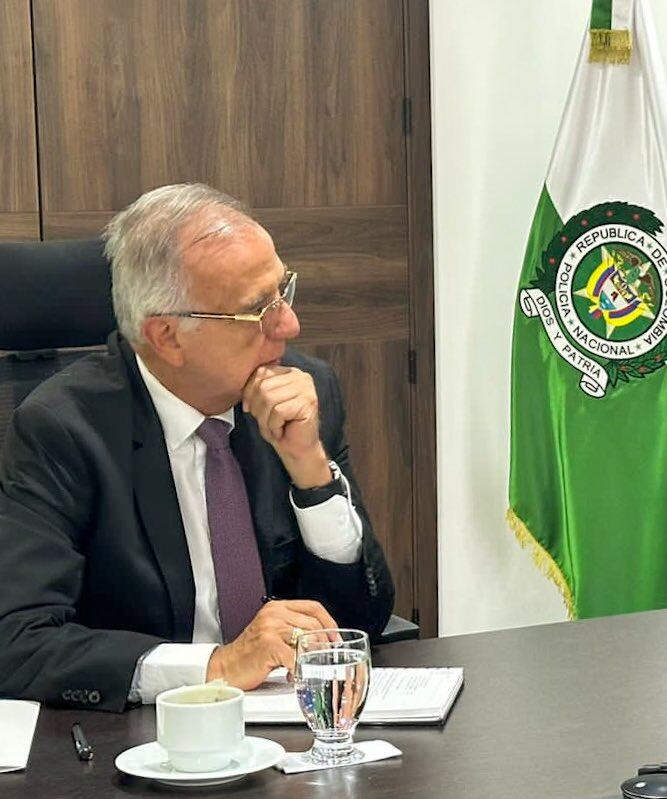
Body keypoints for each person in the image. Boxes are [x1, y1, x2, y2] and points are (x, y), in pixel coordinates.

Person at [0, 183, 394, 711]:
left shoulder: (302, 390)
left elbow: (359, 622)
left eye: (284, 292)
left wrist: (310, 469)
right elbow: (18, 643)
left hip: (290, 734)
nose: (289, 324)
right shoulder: (63, 430)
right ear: (166, 336)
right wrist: (217, 666)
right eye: (258, 309)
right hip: (139, 747)